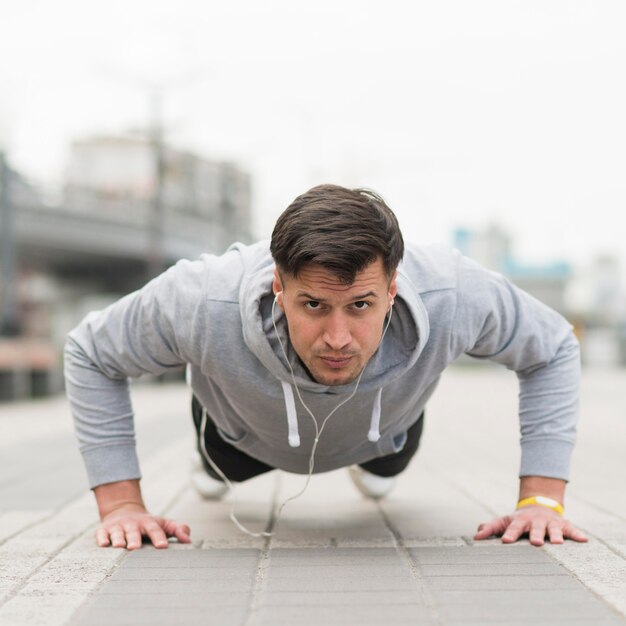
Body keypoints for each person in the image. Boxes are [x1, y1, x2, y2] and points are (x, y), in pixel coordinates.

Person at [64, 183, 588, 551]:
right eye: (314, 304)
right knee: (222, 465)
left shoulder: (456, 291)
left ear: (392, 288)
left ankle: (371, 466)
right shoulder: (201, 298)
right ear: (279, 285)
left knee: (387, 467)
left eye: (360, 305)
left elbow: (552, 347)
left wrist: (542, 499)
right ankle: (210, 467)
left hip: (384, 436)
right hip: (241, 438)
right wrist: (121, 506)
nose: (337, 338)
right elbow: (91, 351)